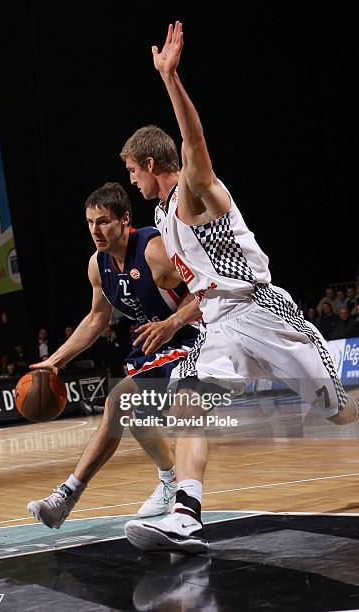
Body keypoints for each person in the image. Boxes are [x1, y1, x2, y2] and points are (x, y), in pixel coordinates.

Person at [120, 21, 359, 554]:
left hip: (264, 313)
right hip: (220, 326)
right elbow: (203, 291)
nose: (132, 181)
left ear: (152, 164)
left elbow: (195, 141)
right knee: (187, 403)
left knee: (338, 411)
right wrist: (178, 320)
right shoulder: (164, 218)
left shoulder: (195, 191)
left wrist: (171, 79)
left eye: (134, 171)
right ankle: (186, 515)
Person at [27, 182, 201, 529]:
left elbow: (207, 290)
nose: (95, 230)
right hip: (156, 344)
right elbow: (96, 319)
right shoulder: (98, 265)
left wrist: (171, 322)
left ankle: (68, 495)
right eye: (90, 222)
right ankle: (170, 482)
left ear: (125, 220)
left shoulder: (153, 250)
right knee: (132, 414)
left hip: (191, 338)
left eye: (103, 221)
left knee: (120, 403)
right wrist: (55, 361)